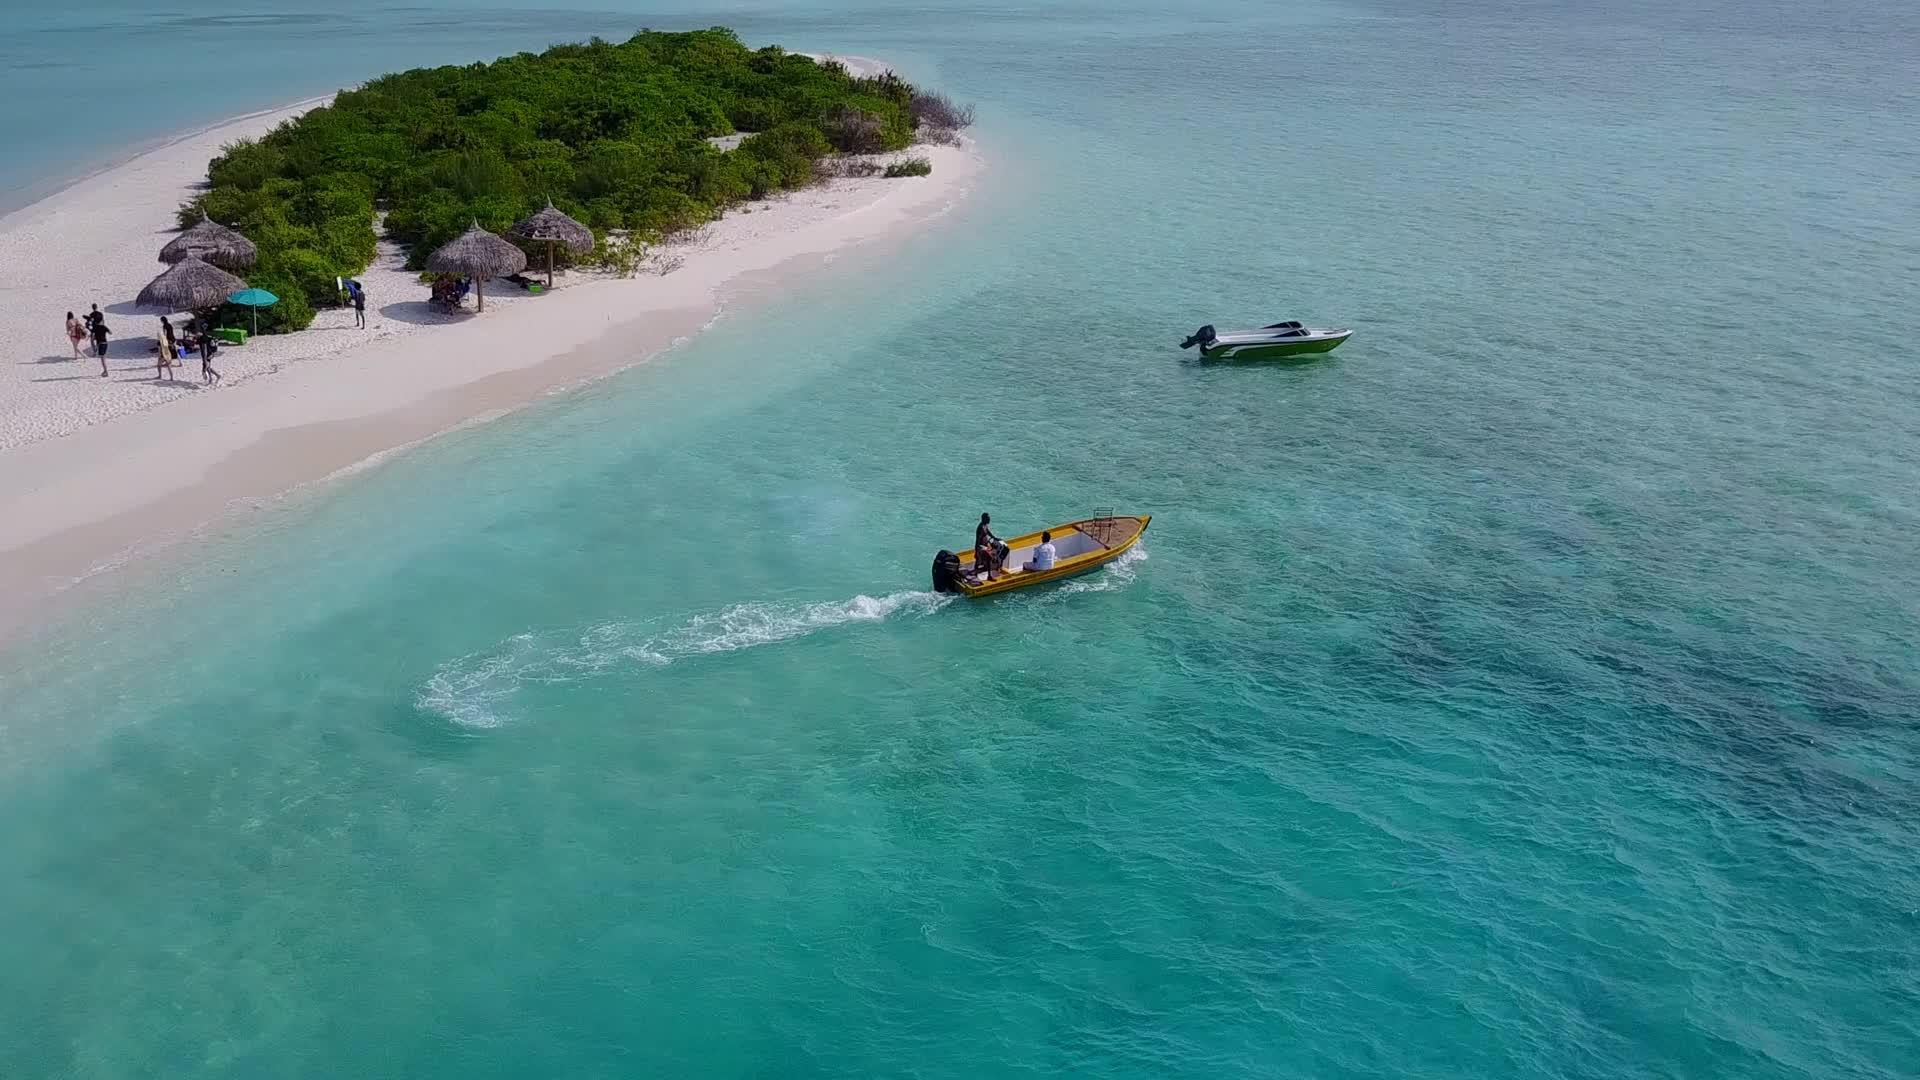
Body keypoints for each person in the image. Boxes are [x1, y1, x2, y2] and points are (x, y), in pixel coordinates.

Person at [974, 512, 1002, 581]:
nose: (989, 520)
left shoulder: (985, 525)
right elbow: (977, 540)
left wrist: (995, 538)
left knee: (995, 551)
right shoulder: (980, 528)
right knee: (987, 557)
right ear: (984, 519)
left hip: (986, 545)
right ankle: (988, 576)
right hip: (981, 546)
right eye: (988, 519)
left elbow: (989, 533)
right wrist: (977, 551)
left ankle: (995, 567)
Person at [86, 305, 111, 376]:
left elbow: (90, 322)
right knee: (103, 354)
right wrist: (104, 327)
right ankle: (96, 350)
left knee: (92, 340)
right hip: (103, 336)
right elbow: (103, 321)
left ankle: (94, 351)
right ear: (97, 307)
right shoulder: (100, 314)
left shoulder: (91, 314)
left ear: (92, 308)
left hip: (95, 330)